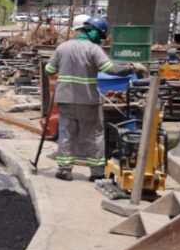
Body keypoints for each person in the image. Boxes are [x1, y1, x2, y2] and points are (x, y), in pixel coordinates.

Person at [44, 16, 146, 181]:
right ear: (94, 32)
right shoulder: (93, 50)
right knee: (94, 135)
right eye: (99, 36)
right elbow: (110, 69)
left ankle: (64, 170)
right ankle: (97, 172)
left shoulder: (62, 48)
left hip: (65, 99)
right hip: (88, 100)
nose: (99, 40)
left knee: (66, 134)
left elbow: (49, 70)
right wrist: (131, 67)